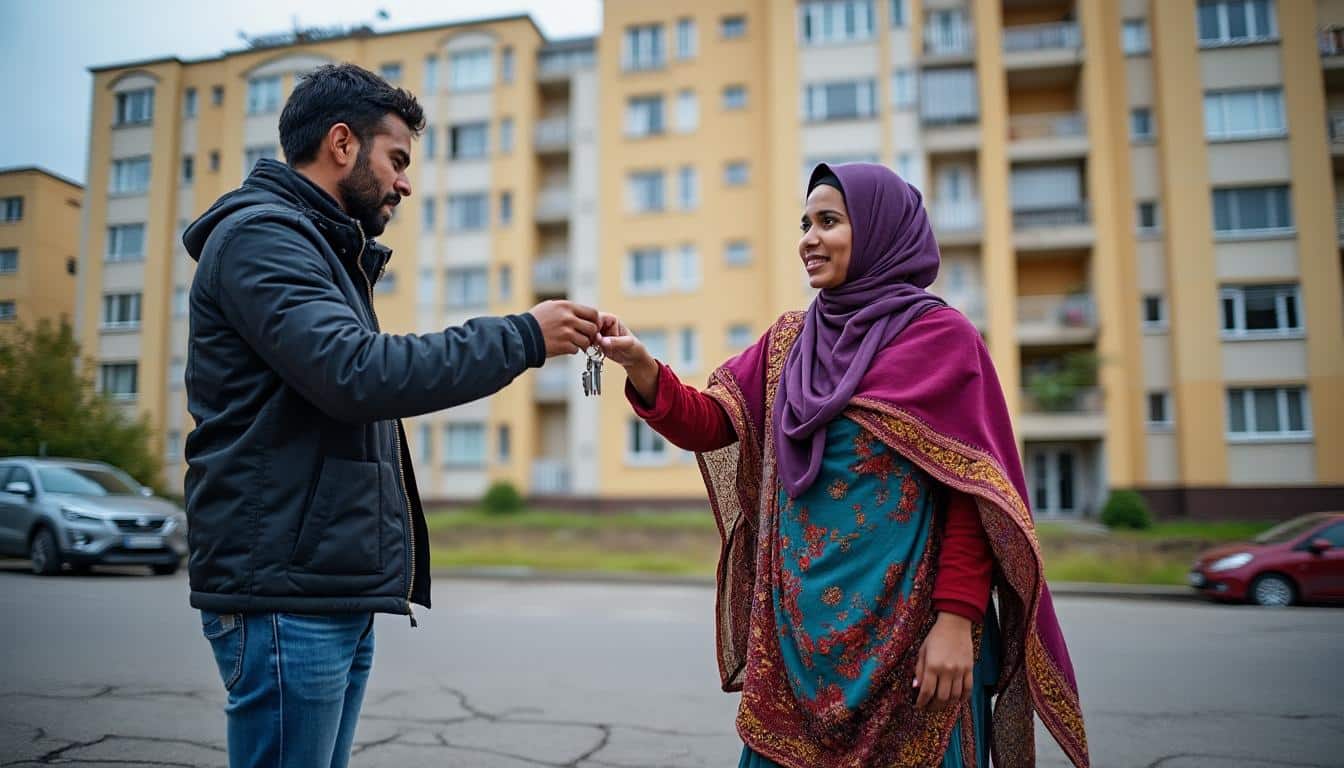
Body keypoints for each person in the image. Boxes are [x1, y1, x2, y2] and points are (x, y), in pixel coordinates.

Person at [598, 163, 1089, 768]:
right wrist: (643, 369)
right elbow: (713, 423)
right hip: (796, 645)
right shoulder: (789, 343)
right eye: (804, 223)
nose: (808, 238)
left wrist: (957, 620)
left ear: (882, 232)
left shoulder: (941, 339)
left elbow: (974, 495)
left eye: (828, 221)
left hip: (913, 643)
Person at [181, 63, 600, 768]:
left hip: (325, 589)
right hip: (287, 595)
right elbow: (358, 376)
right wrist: (523, 337)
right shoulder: (263, 239)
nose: (406, 183)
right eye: (397, 159)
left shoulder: (320, 249)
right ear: (341, 144)